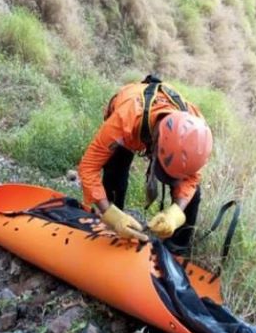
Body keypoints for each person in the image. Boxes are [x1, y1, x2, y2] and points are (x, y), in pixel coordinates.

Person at [78, 75, 213, 245]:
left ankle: (178, 247)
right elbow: (89, 167)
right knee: (115, 174)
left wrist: (176, 213)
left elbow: (192, 179)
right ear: (155, 145)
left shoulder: (196, 132)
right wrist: (112, 215)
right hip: (131, 117)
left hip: (156, 123)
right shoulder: (123, 121)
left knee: (192, 193)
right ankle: (114, 229)